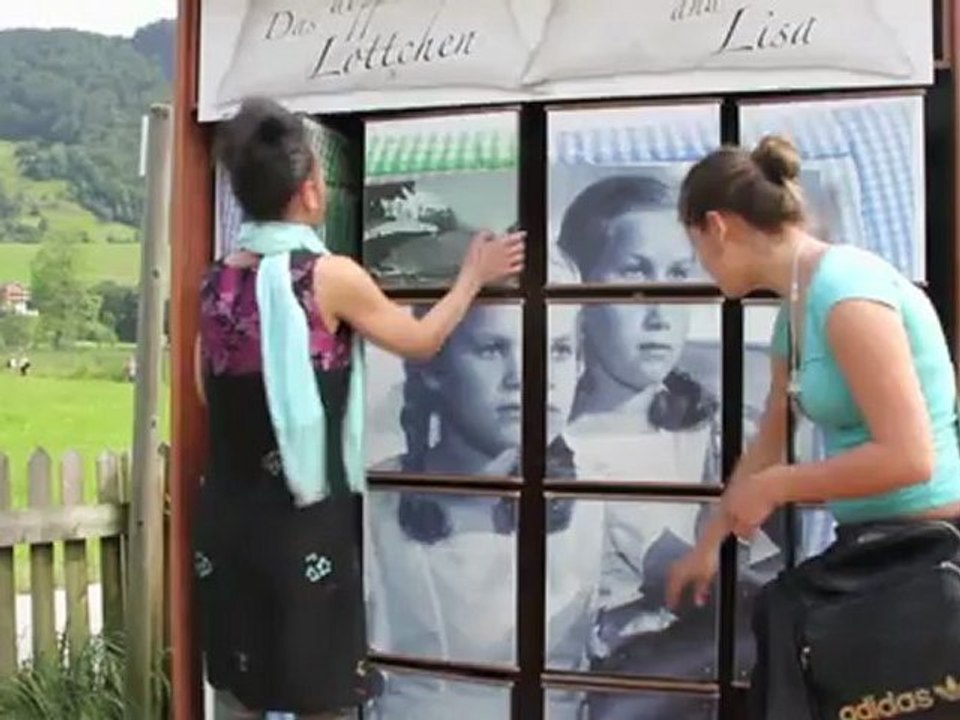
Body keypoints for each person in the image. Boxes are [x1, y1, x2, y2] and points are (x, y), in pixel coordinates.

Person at [192, 97, 525, 720]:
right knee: (322, 690)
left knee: (242, 691)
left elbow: (206, 387)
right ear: (310, 191)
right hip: (303, 516)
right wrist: (472, 278)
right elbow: (419, 341)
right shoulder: (327, 276)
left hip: (229, 516)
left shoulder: (215, 283)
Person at [666, 135, 960, 620]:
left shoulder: (848, 292)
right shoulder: (795, 310)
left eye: (694, 245)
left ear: (716, 227)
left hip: (928, 550)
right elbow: (770, 442)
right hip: (875, 545)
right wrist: (710, 545)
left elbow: (910, 458)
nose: (701, 266)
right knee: (778, 622)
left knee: (786, 628)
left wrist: (779, 486)